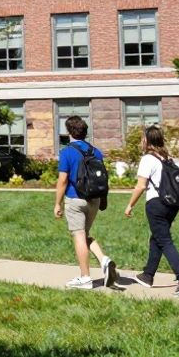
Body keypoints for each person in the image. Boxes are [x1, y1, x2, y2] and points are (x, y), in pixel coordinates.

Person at [124, 125, 179, 296]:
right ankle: (147, 275)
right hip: (171, 205)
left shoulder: (148, 159)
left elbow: (141, 186)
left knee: (164, 240)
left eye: (143, 138)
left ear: (147, 140)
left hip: (156, 204)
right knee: (157, 238)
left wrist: (130, 205)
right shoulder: (166, 158)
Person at [53, 116, 117, 289]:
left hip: (75, 199)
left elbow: (63, 181)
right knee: (85, 234)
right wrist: (104, 199)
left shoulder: (67, 152)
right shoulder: (95, 151)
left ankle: (85, 278)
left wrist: (57, 203)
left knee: (79, 236)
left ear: (69, 132)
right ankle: (104, 260)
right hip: (94, 199)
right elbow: (103, 178)